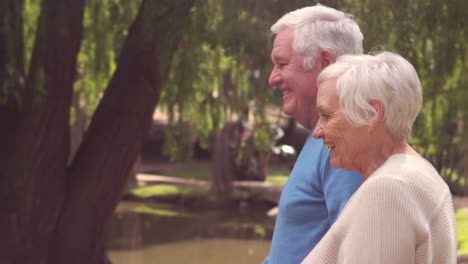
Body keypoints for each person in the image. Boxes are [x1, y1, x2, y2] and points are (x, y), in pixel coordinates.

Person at [302, 52, 457, 263]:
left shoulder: (388, 189)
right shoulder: (418, 173)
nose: (317, 132)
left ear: (372, 114)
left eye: (327, 116)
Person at [262, 5, 364, 264]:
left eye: (282, 64)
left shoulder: (346, 139)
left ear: (325, 62)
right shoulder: (321, 134)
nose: (272, 79)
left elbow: (355, 253)